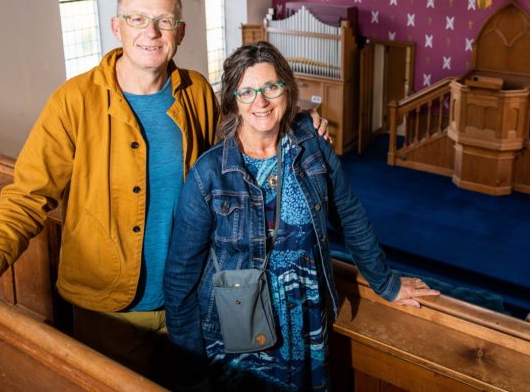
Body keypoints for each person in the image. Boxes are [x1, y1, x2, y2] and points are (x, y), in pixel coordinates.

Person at [0, 0, 327, 382]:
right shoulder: (74, 101)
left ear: (180, 32)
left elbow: (243, 141)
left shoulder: (197, 93)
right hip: (108, 312)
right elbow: (27, 196)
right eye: (137, 19)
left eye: (164, 21)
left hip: (190, 302)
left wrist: (301, 124)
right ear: (116, 27)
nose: (151, 32)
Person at [164, 41, 439, 391]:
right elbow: (180, 277)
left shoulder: (312, 146)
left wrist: (386, 282)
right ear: (233, 99)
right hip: (238, 324)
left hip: (304, 312)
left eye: (271, 87)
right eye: (246, 91)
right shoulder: (209, 173)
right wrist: (191, 371)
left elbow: (350, 214)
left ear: (287, 90)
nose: (260, 101)